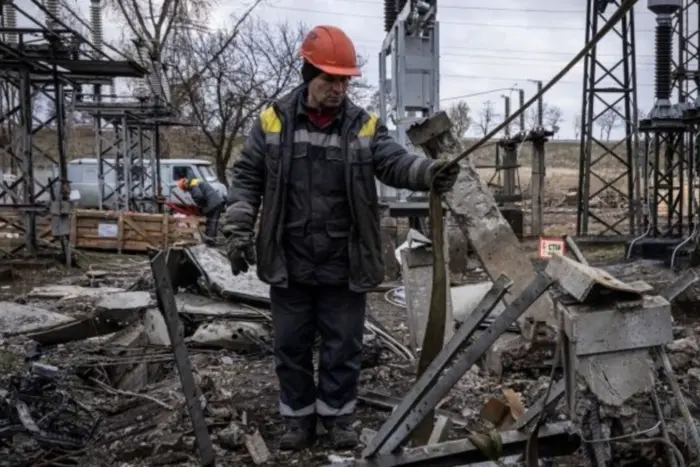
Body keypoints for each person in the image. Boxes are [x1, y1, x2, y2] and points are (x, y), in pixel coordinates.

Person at [222, 25, 460, 451]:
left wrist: (427, 173)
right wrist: (238, 230)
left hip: (343, 259)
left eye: (344, 80)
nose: (337, 88)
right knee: (290, 346)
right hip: (289, 259)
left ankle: (337, 418)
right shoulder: (271, 121)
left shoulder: (364, 125)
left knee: (343, 346)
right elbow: (246, 179)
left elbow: (392, 162)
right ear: (307, 74)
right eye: (329, 79)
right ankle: (297, 420)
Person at [177, 177, 224, 244]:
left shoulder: (193, 185)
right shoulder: (195, 182)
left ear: (185, 185)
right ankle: (212, 240)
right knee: (214, 222)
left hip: (212, 204)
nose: (187, 191)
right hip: (217, 202)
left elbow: (198, 196)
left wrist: (201, 206)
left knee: (211, 222)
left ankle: (210, 241)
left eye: (185, 189)